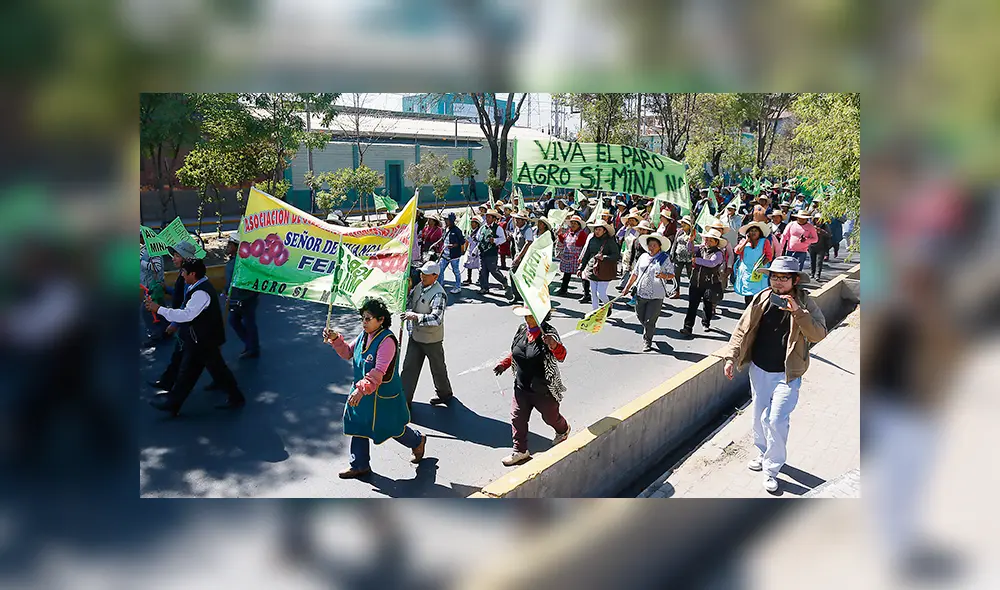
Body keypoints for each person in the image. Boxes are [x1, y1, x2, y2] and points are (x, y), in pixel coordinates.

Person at [721, 256, 828, 493]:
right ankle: (762, 452)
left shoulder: (806, 303)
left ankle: (772, 468)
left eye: (784, 278)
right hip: (759, 369)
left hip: (787, 374)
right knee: (759, 417)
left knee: (776, 420)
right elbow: (742, 329)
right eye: (774, 277)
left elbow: (819, 334)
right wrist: (730, 357)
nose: (778, 282)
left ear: (795, 280)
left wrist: (798, 312)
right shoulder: (762, 298)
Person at [323, 297, 426, 479]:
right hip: (363, 392)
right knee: (358, 424)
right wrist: (335, 339)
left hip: (382, 396)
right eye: (362, 318)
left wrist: (360, 390)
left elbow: (378, 372)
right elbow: (348, 352)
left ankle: (417, 440)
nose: (364, 322)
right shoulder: (364, 336)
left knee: (392, 428)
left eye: (368, 319)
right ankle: (359, 464)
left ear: (381, 320)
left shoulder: (387, 341)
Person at [145, 258, 246, 416]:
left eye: (184, 272)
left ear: (193, 274)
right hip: (200, 339)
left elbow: (187, 314)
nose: (182, 275)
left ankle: (236, 397)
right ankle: (174, 404)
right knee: (190, 372)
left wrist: (159, 309)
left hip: (204, 341)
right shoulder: (197, 286)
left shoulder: (200, 293)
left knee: (214, 371)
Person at [493, 306, 571, 467]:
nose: (527, 319)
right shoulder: (522, 329)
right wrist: (504, 364)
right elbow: (517, 351)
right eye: (526, 316)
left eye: (531, 316)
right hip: (521, 387)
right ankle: (520, 450)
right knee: (517, 418)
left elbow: (562, 355)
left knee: (550, 417)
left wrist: (554, 345)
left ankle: (563, 429)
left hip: (543, 390)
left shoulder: (549, 333)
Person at [400, 260, 456, 410]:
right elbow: (409, 303)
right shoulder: (419, 286)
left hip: (432, 339)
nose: (422, 276)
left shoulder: (439, 294)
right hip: (415, 336)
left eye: (426, 274)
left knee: (438, 369)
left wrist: (416, 317)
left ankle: (444, 394)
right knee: (408, 369)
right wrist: (405, 293)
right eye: (422, 273)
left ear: (435, 276)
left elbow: (436, 319)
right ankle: (403, 401)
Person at [147, 241, 199, 392]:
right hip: (185, 321)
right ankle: (167, 382)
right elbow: (179, 294)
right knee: (182, 355)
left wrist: (175, 323)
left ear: (185, 258)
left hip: (189, 323)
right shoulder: (183, 274)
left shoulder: (189, 277)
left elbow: (186, 302)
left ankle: (173, 391)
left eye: (176, 256)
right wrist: (167, 289)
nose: (173, 258)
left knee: (187, 358)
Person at [620, 232, 674, 351]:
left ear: (659, 246)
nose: (652, 247)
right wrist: (627, 288)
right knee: (640, 316)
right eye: (650, 245)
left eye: (654, 245)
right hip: (641, 293)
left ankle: (647, 340)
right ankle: (649, 329)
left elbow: (672, 274)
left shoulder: (664, 258)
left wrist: (663, 275)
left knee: (650, 320)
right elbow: (635, 273)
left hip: (656, 295)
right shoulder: (643, 257)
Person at [680, 228, 727, 337]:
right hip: (695, 282)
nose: (708, 242)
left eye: (711, 240)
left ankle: (706, 322)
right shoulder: (700, 248)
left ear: (716, 242)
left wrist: (697, 260)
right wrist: (691, 240)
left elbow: (712, 263)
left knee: (708, 305)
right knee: (692, 306)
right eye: (707, 239)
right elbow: (690, 249)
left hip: (710, 283)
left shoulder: (718, 253)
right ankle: (688, 327)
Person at [224, 234, 260, 358]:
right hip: (237, 298)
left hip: (245, 299)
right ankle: (251, 344)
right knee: (234, 320)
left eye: (230, 244)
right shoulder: (233, 261)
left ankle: (253, 347)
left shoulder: (243, 262)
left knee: (248, 323)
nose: (227, 246)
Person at [579, 219, 620, 312]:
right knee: (593, 294)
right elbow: (586, 255)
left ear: (604, 231)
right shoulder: (592, 240)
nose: (597, 231)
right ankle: (595, 312)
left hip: (604, 270)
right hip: (592, 269)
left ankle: (608, 305)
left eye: (599, 229)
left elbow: (616, 255)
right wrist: (581, 268)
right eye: (596, 229)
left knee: (600, 294)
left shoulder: (610, 242)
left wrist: (604, 257)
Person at [734, 221, 775, 305]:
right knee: (747, 293)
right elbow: (737, 251)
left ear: (760, 232)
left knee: (759, 293)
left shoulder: (765, 241)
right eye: (751, 231)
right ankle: (748, 309)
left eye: (755, 231)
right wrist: (746, 241)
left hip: (760, 271)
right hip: (746, 271)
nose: (753, 232)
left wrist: (760, 265)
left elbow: (769, 256)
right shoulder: (743, 241)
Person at [140, 230, 167, 347]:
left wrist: (142, 263)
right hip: (150, 285)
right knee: (159, 309)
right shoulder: (146, 248)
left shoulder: (153, 250)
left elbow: (157, 267)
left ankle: (155, 335)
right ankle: (165, 331)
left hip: (153, 287)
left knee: (146, 311)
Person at [505, 209, 535, 304]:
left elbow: (528, 243)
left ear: (524, 221)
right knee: (513, 274)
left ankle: (526, 296)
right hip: (517, 255)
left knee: (522, 276)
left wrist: (519, 257)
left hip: (525, 257)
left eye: (518, 219)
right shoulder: (517, 228)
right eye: (516, 219)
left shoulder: (528, 230)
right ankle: (517, 295)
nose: (516, 221)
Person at [476, 209, 509, 296]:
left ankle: (503, 280)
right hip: (482, 252)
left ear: (494, 218)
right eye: (486, 216)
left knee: (493, 270)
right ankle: (484, 288)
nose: (487, 218)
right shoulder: (482, 228)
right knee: (482, 271)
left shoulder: (498, 228)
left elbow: (503, 239)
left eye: (489, 217)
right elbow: (478, 237)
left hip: (492, 253)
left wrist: (494, 240)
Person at [556, 215, 588, 297]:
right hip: (567, 257)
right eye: (572, 223)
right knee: (566, 274)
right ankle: (563, 289)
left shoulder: (582, 234)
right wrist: (559, 234)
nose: (573, 225)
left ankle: (587, 293)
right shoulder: (568, 232)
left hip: (578, 258)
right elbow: (563, 240)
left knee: (582, 274)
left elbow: (585, 245)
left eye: (575, 223)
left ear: (579, 225)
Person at [438, 212, 465, 294]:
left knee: (456, 271)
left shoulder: (457, 231)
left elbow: (462, 241)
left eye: (447, 220)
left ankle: (458, 287)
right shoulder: (445, 229)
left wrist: (454, 245)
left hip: (454, 256)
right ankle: (440, 285)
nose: (446, 221)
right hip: (445, 255)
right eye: (445, 220)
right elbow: (443, 239)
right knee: (440, 270)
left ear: (452, 220)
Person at [615, 212, 643, 292]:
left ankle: (632, 286)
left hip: (635, 252)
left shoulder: (638, 231)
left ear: (637, 222)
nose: (631, 222)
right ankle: (623, 284)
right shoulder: (627, 229)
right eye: (630, 220)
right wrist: (624, 226)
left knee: (634, 269)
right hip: (627, 251)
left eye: (633, 220)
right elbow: (619, 235)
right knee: (625, 268)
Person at [669, 216, 694, 300]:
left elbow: (697, 244)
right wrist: (672, 253)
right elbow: (675, 243)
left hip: (689, 258)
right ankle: (676, 291)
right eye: (682, 223)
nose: (682, 224)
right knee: (676, 274)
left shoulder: (693, 233)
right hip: (678, 257)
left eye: (684, 223)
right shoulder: (679, 231)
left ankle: (693, 292)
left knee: (691, 276)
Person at [809, 216, 833, 280]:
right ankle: (812, 273)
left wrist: (821, 231)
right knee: (812, 261)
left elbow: (829, 235)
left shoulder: (825, 226)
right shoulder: (811, 226)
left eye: (820, 220)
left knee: (819, 261)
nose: (818, 221)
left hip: (822, 247)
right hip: (812, 246)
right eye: (816, 220)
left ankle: (817, 275)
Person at [463, 216, 483, 286]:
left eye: (473, 223)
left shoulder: (479, 232)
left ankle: (480, 279)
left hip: (476, 250)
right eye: (471, 223)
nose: (472, 224)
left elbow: (478, 242)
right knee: (469, 265)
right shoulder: (471, 231)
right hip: (471, 249)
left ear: (477, 224)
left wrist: (475, 250)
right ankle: (469, 279)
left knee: (479, 266)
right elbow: (469, 240)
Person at [498, 205, 514, 269]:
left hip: (506, 237)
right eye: (504, 209)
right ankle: (503, 265)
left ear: (510, 211)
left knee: (510, 251)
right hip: (500, 236)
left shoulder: (511, 219)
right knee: (501, 252)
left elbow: (511, 228)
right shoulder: (501, 218)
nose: (504, 211)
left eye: (506, 210)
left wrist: (509, 235)